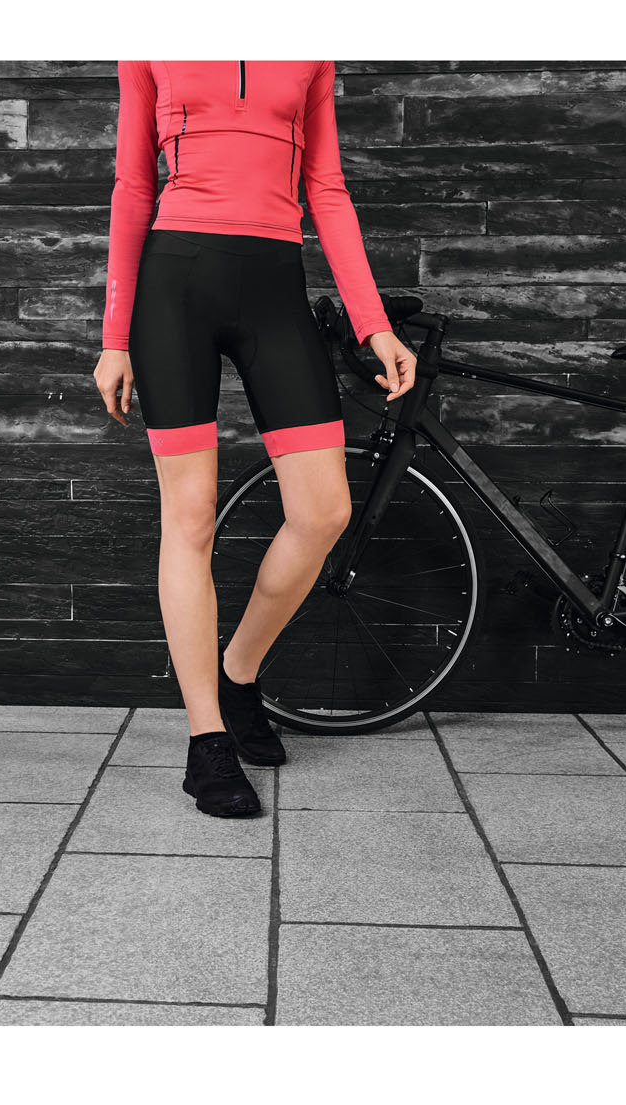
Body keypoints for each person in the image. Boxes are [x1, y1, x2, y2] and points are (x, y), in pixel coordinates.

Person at [92, 60, 417, 818]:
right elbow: (134, 185)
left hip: (275, 282)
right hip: (175, 284)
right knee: (191, 517)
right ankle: (207, 740)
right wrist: (114, 337)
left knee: (323, 510)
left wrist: (373, 324)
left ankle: (237, 675)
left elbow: (327, 188)